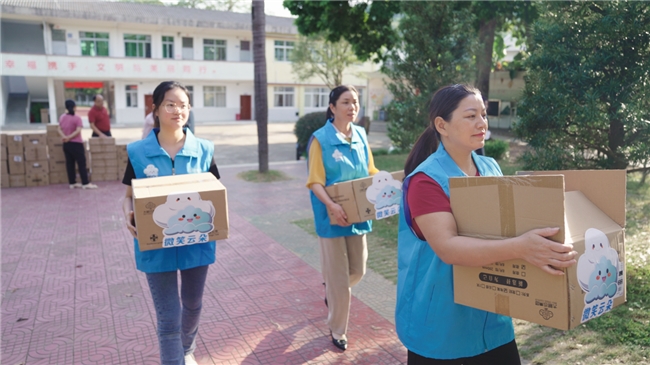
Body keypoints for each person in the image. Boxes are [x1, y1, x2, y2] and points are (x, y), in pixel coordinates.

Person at [395, 84, 577, 364]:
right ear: (442, 125)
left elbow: (505, 230)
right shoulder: (425, 181)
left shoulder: (490, 168)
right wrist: (522, 247)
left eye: (484, 114)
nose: (482, 123)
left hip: (493, 317)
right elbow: (449, 249)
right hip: (442, 325)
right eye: (470, 116)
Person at [121, 81, 220, 365]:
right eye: (171, 104)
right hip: (156, 248)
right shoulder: (138, 152)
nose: (179, 110)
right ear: (155, 109)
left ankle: (187, 350)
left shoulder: (204, 149)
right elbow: (128, 196)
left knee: (192, 306)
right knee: (169, 319)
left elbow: (215, 195)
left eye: (184, 105)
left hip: (197, 244)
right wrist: (127, 215)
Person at [306, 85, 379, 351]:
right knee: (338, 281)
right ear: (332, 107)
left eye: (356, 102)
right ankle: (338, 330)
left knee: (358, 270)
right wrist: (331, 206)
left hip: (358, 214)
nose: (352, 107)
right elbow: (315, 180)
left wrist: (386, 184)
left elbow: (370, 169)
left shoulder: (360, 134)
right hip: (331, 216)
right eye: (346, 102)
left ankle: (333, 291)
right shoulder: (319, 139)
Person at [57, 99, 98, 190]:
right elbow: (78, 130)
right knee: (81, 163)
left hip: (66, 144)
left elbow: (59, 129)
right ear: (75, 107)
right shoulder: (77, 118)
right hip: (76, 144)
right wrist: (70, 137)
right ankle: (85, 183)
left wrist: (65, 137)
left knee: (70, 163)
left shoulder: (62, 117)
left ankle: (72, 182)